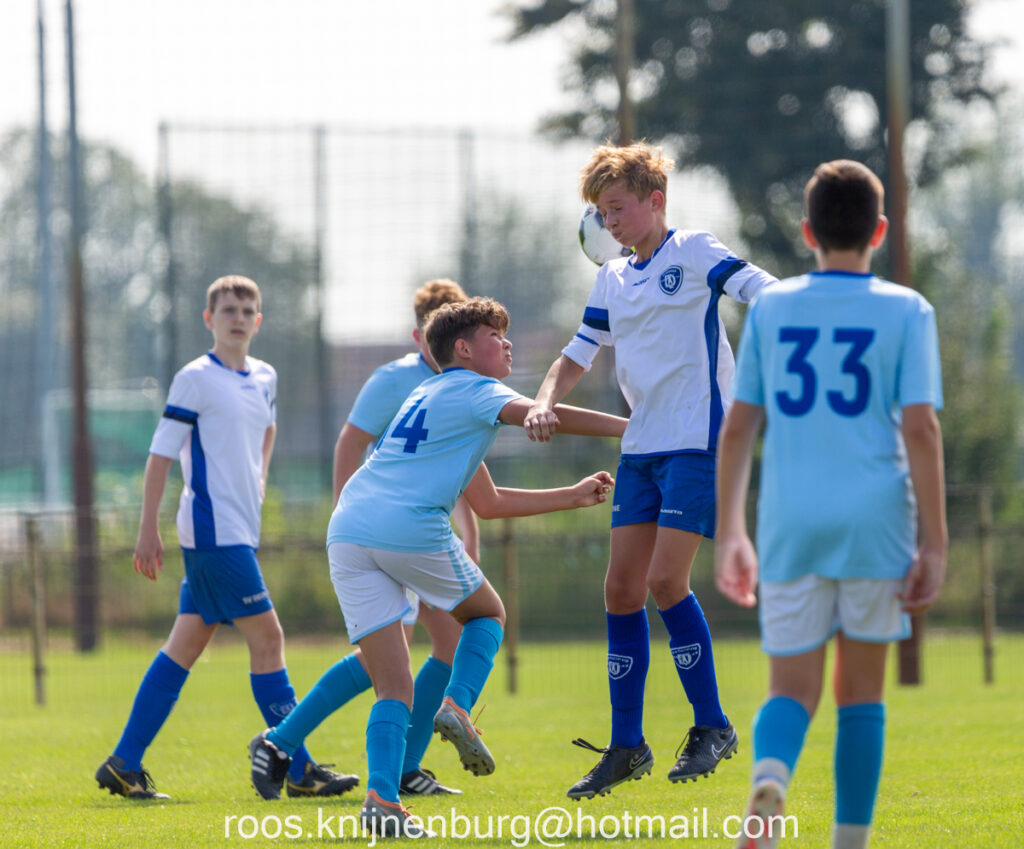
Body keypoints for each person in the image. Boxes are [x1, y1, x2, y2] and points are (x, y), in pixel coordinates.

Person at [248, 297, 627, 837]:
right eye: (496, 335)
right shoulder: (477, 391)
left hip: (349, 529)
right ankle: (458, 706)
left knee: (392, 685)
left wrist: (571, 495)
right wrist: (632, 428)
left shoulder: (427, 394)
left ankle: (381, 801)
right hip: (406, 526)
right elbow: (547, 415)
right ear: (464, 349)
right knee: (487, 615)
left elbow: (488, 502)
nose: (507, 344)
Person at [524, 142, 777, 799]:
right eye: (602, 213)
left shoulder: (692, 250)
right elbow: (576, 353)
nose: (610, 221)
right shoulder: (611, 277)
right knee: (621, 590)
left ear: (654, 201)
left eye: (618, 208)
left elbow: (761, 289)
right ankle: (627, 744)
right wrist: (545, 400)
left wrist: (803, 315)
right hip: (641, 448)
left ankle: (712, 724)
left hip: (698, 440)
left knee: (667, 580)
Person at [714, 160, 946, 849]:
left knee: (790, 687)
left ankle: (770, 777)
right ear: (880, 231)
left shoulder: (773, 307)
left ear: (808, 231)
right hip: (877, 522)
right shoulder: (907, 310)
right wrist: (935, 543)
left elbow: (739, 427)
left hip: (791, 524)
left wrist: (731, 531)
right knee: (861, 696)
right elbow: (922, 430)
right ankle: (849, 841)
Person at [95, 275, 357, 800]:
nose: (238, 318)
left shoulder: (265, 376)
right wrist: (147, 528)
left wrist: (260, 477)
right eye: (228, 309)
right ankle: (299, 767)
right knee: (270, 639)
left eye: (246, 310)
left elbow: (268, 429)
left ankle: (123, 763)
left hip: (240, 530)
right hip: (212, 534)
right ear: (209, 318)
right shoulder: (194, 378)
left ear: (258, 320)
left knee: (184, 646)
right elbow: (160, 456)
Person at [247, 279, 479, 800]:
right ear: (420, 335)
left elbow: (461, 472)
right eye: (440, 328)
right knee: (392, 661)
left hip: (423, 535)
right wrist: (344, 519)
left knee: (433, 646)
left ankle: (377, 761)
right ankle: (291, 744)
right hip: (385, 535)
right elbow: (350, 442)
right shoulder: (395, 380)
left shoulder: (462, 386)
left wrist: (470, 534)